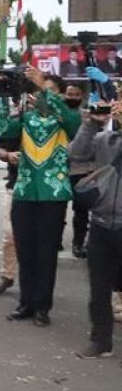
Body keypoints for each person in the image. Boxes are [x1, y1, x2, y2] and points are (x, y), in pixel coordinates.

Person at [0, 68, 80, 326]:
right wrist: (8, 100)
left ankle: (43, 307)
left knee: (46, 252)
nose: (44, 95)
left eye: (51, 91)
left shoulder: (67, 118)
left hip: (53, 194)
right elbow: (4, 131)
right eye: (41, 90)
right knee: (26, 250)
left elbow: (74, 124)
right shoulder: (26, 117)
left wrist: (42, 86)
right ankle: (26, 303)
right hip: (25, 191)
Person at [68, 96, 122, 359]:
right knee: (99, 288)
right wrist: (92, 123)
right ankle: (101, 340)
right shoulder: (105, 140)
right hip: (102, 224)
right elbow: (76, 154)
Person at [0, 130, 21, 295]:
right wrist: (8, 155)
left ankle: (36, 285)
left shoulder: (55, 118)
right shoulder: (17, 122)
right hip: (16, 186)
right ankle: (7, 275)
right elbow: (0, 149)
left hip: (44, 190)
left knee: (40, 239)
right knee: (10, 234)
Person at [63, 82, 90, 258]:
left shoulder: (87, 116)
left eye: (76, 95)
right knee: (57, 209)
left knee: (81, 210)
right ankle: (54, 241)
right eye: (69, 94)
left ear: (82, 97)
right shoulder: (58, 114)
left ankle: (78, 244)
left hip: (82, 170)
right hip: (61, 168)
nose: (72, 98)